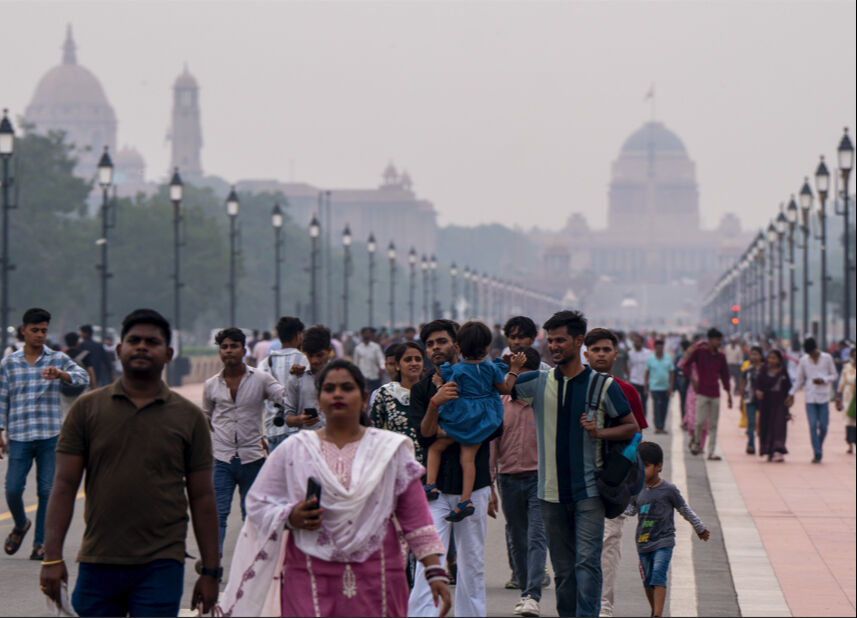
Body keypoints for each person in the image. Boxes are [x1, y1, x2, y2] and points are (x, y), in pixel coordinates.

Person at [220, 359, 451, 617]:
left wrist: (434, 571)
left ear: (364, 398)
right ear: (319, 400)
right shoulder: (294, 450)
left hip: (378, 575)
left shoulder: (389, 451)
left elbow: (415, 516)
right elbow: (258, 504)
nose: (338, 394)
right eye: (329, 389)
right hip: (308, 574)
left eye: (347, 388)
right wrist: (290, 516)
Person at [39, 309, 219, 616]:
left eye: (152, 342)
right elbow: (65, 485)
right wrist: (51, 557)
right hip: (98, 559)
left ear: (169, 354)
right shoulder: (87, 409)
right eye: (134, 341)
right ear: (119, 350)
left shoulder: (189, 417)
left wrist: (211, 571)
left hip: (162, 563)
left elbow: (202, 496)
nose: (142, 347)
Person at [513, 311, 638, 617]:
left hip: (589, 492)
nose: (554, 346)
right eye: (550, 340)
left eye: (560, 340)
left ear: (579, 341)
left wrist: (599, 432)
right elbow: (502, 389)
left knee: (587, 563)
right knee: (564, 569)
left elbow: (631, 427)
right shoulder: (537, 382)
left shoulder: (603, 386)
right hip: (550, 493)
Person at [408, 319, 496, 618]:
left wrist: (448, 431)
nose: (436, 348)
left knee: (472, 563)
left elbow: (495, 427)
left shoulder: (481, 379)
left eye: (442, 341)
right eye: (430, 344)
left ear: (457, 345)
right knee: (429, 558)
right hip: (434, 491)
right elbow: (424, 435)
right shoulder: (422, 390)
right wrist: (435, 403)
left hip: (474, 488)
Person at [1, 308, 89, 561]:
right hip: (19, 435)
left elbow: (82, 376)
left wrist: (62, 374)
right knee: (12, 489)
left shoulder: (57, 359)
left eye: (43, 331)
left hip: (50, 435)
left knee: (47, 491)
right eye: (35, 330)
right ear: (24, 331)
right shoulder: (9, 363)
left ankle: (40, 544)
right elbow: (2, 398)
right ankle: (21, 524)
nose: (39, 335)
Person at [423, 321, 525, 522]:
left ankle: (430, 485)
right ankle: (465, 500)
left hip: (462, 418)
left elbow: (449, 389)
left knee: (435, 447)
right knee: (468, 459)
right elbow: (505, 389)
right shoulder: (491, 369)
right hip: (484, 419)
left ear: (457, 347)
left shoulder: (457, 370)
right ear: (487, 348)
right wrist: (513, 370)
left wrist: (439, 384)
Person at [582, 327, 648, 618]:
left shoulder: (627, 391)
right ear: (586, 354)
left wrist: (626, 478)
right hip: (579, 478)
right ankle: (582, 601)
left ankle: (604, 603)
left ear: (615, 354)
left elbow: (637, 436)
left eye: (606, 350)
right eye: (595, 350)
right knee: (582, 545)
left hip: (613, 482)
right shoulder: (575, 388)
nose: (600, 355)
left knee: (609, 542)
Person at [203, 327, 286, 553]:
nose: (229, 351)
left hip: (253, 458)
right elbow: (206, 417)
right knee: (218, 514)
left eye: (234, 346)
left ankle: (252, 562)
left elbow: (283, 397)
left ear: (243, 350)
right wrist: (223, 435)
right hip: (222, 459)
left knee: (251, 515)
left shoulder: (260, 379)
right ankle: (214, 563)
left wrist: (299, 379)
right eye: (224, 347)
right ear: (220, 352)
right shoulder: (211, 385)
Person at [491, 347, 546, 618]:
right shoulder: (500, 403)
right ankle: (526, 590)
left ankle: (532, 595)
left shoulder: (544, 404)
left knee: (537, 537)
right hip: (508, 479)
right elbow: (492, 445)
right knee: (517, 537)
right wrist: (489, 486)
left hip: (540, 479)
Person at [628, 442, 709, 618]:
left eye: (646, 466)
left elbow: (684, 509)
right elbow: (630, 510)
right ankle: (654, 610)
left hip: (663, 541)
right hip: (643, 543)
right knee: (647, 581)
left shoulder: (668, 490)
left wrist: (699, 527)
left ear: (659, 466)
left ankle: (658, 614)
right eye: (639, 466)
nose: (642, 470)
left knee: (658, 574)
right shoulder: (637, 490)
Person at [680, 328, 732, 460]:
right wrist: (693, 380)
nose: (719, 342)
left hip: (715, 393)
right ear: (710, 340)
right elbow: (685, 365)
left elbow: (725, 375)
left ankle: (711, 451)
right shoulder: (699, 352)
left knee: (713, 424)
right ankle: (697, 443)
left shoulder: (721, 357)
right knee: (699, 421)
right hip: (702, 391)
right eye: (717, 340)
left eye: (720, 340)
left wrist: (729, 394)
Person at [370, 341, 426, 462]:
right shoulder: (386, 393)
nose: (414, 363)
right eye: (408, 360)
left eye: (418, 359)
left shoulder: (431, 391)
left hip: (429, 463)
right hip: (396, 462)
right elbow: (373, 432)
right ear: (397, 365)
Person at [262, 316, 308, 451]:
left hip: (273, 429)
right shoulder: (305, 361)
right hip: (299, 430)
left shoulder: (265, 363)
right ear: (298, 335)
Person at [789, 337, 838, 463]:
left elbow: (834, 375)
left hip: (824, 397)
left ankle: (818, 445)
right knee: (812, 425)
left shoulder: (827, 358)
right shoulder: (804, 360)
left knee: (824, 426)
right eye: (809, 354)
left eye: (813, 353)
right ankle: (817, 452)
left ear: (816, 348)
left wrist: (824, 380)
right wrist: (791, 393)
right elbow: (799, 380)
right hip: (810, 397)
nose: (811, 356)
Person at [282, 325, 332, 434]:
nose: (314, 361)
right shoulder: (296, 378)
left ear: (329, 350)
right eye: (310, 355)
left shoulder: (338, 377)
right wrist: (300, 420)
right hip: (307, 439)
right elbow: (288, 418)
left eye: (319, 355)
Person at [754, 349, 793, 462]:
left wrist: (790, 398)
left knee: (779, 426)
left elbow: (789, 387)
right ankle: (768, 449)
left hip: (780, 403)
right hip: (766, 403)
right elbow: (757, 384)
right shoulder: (763, 371)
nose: (771, 360)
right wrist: (758, 391)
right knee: (767, 426)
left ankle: (778, 450)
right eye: (769, 358)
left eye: (774, 358)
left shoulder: (783, 372)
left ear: (779, 360)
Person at [644, 340, 675, 434]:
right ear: (655, 348)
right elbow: (647, 373)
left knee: (664, 408)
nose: (659, 349)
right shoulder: (650, 359)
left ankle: (662, 426)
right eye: (658, 347)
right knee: (657, 407)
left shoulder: (668, 359)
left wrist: (671, 386)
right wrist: (646, 387)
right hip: (654, 387)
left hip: (666, 388)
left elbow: (671, 373)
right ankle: (658, 427)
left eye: (661, 347)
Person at [738, 346, 764, 455]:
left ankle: (764, 445)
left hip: (763, 400)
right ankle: (751, 445)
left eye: (756, 354)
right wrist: (741, 399)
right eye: (752, 354)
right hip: (750, 399)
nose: (754, 356)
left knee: (763, 423)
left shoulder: (765, 369)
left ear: (761, 356)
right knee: (751, 423)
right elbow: (743, 384)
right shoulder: (747, 370)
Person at [835, 347, 856, 453]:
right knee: (849, 420)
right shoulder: (847, 367)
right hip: (848, 397)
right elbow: (842, 383)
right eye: (854, 355)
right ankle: (850, 444)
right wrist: (838, 397)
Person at [353, 327, 386, 392]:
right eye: (365, 333)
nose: (367, 335)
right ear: (362, 335)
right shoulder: (358, 348)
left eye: (368, 333)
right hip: (363, 376)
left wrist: (382, 367)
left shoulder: (375, 347)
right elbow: (355, 363)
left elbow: (381, 359)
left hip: (374, 376)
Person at [628, 333, 651, 417]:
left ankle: (643, 419)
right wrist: (629, 380)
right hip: (634, 380)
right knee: (634, 402)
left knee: (644, 402)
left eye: (638, 342)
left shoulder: (648, 353)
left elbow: (650, 367)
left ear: (642, 342)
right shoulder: (630, 353)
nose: (636, 343)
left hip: (645, 382)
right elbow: (628, 367)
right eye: (635, 342)